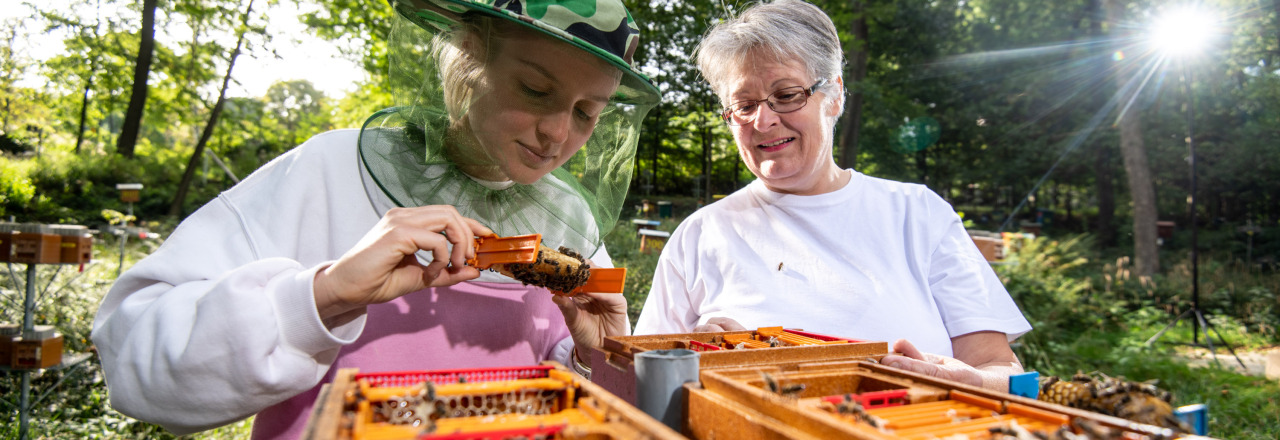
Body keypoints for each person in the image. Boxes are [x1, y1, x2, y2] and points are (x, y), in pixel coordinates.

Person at [90, 0, 659, 438]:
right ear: (468, 58)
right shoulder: (327, 169)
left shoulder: (569, 215)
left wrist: (596, 356)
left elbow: (574, 395)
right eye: (535, 89)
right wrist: (323, 295)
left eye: (588, 113)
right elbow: (133, 358)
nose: (559, 134)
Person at [632, 0, 1031, 392]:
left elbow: (1000, 368)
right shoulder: (700, 234)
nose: (764, 120)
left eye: (787, 95)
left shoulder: (918, 213)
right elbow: (639, 382)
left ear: (835, 95)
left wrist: (973, 380)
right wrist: (699, 362)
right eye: (744, 104)